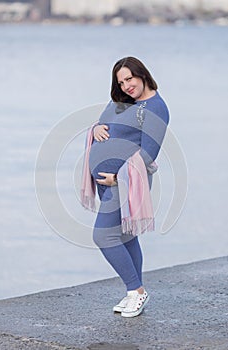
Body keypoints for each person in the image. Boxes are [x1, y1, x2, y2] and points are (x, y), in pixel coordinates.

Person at [81, 56, 169, 317]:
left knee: (103, 236)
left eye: (130, 79)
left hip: (125, 182)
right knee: (127, 236)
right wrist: (96, 129)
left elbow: (149, 152)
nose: (126, 86)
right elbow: (106, 123)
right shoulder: (122, 100)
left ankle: (137, 291)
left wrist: (118, 178)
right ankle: (134, 293)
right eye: (121, 82)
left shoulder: (156, 108)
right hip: (109, 182)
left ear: (142, 74)